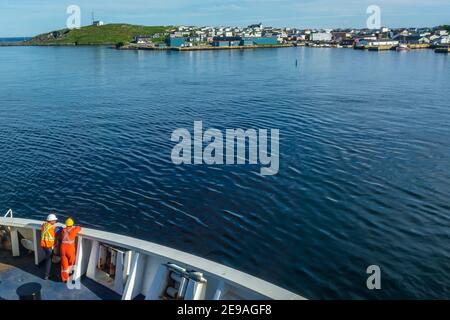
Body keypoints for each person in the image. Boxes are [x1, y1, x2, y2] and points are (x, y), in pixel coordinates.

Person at [60, 218, 82, 283]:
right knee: (71, 262)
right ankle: (70, 273)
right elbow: (79, 228)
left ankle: (64, 279)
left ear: (66, 224)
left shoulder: (62, 230)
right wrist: (76, 227)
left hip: (63, 248)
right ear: (72, 224)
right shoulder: (73, 230)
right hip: (70, 249)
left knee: (64, 264)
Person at [41, 213, 61, 280]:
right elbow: (59, 229)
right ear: (51, 221)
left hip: (43, 246)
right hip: (49, 247)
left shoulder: (43, 225)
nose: (55, 221)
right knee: (49, 260)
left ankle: (48, 273)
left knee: (48, 259)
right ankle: (47, 275)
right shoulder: (53, 228)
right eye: (54, 220)